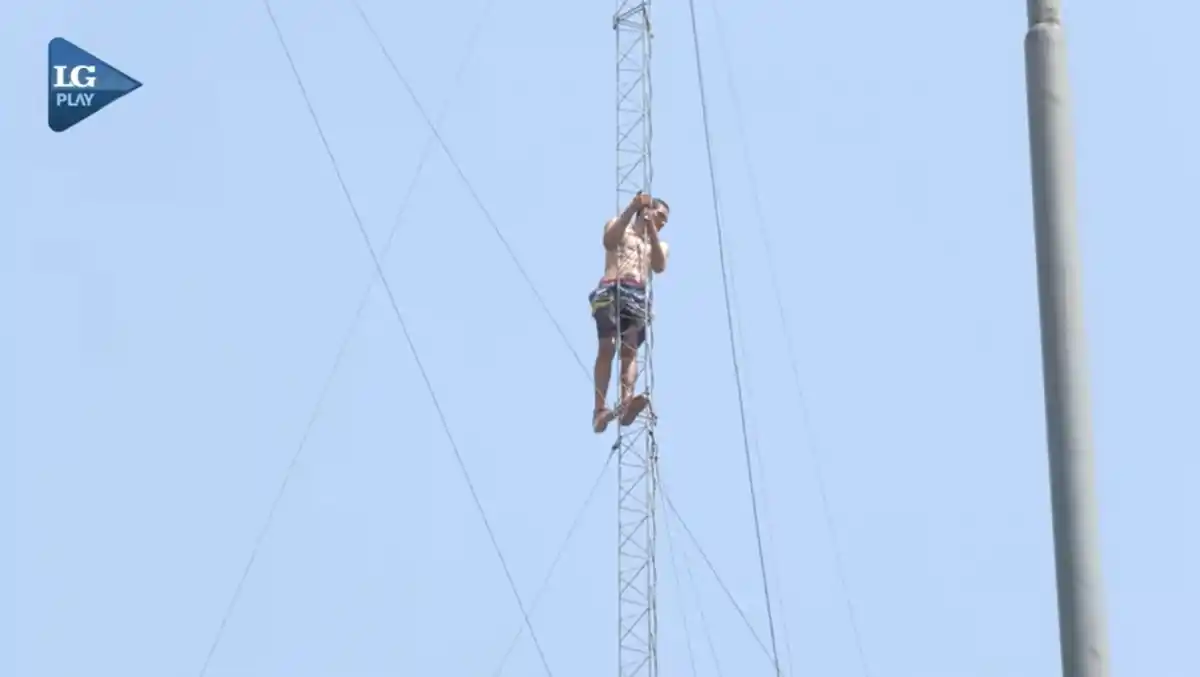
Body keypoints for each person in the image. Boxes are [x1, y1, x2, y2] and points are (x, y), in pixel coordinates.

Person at [588, 192, 669, 433]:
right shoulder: (618, 225)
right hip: (611, 289)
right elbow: (609, 242)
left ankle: (626, 400)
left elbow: (659, 265)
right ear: (649, 210)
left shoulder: (658, 244)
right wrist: (633, 207)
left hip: (636, 296)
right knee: (607, 346)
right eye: (660, 215)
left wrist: (651, 231)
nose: (663, 222)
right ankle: (599, 408)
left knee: (629, 351)